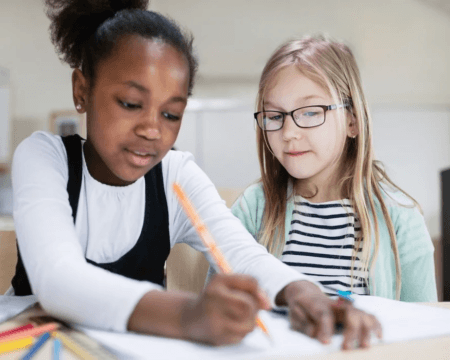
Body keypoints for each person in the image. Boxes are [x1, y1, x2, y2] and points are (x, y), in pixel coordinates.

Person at [10, 1, 381, 348]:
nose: (152, 130)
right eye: (130, 104)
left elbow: (243, 255)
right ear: (82, 90)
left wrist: (306, 293)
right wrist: (188, 314)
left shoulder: (175, 174)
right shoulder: (45, 158)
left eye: (171, 113)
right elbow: (58, 280)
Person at [208, 35, 437, 304]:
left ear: (352, 120)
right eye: (275, 116)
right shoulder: (252, 209)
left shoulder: (401, 219)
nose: (289, 133)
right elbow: (215, 307)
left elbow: (423, 330)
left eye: (310, 112)